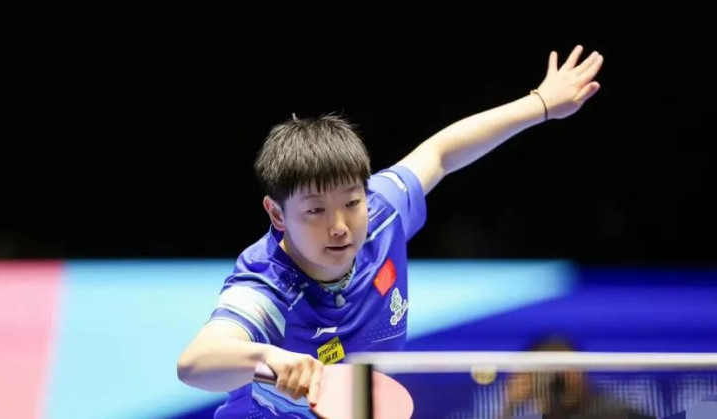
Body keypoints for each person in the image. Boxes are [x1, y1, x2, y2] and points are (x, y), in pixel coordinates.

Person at [177, 45, 604, 418]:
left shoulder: (381, 215)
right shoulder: (267, 287)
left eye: (351, 203)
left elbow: (440, 152)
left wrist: (541, 104)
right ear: (277, 214)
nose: (340, 226)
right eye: (315, 211)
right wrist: (268, 356)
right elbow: (195, 363)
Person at [502, 335, 658, 419]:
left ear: (582, 371)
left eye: (567, 368)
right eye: (549, 372)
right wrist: (510, 407)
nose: (558, 379)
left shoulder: (615, 413)